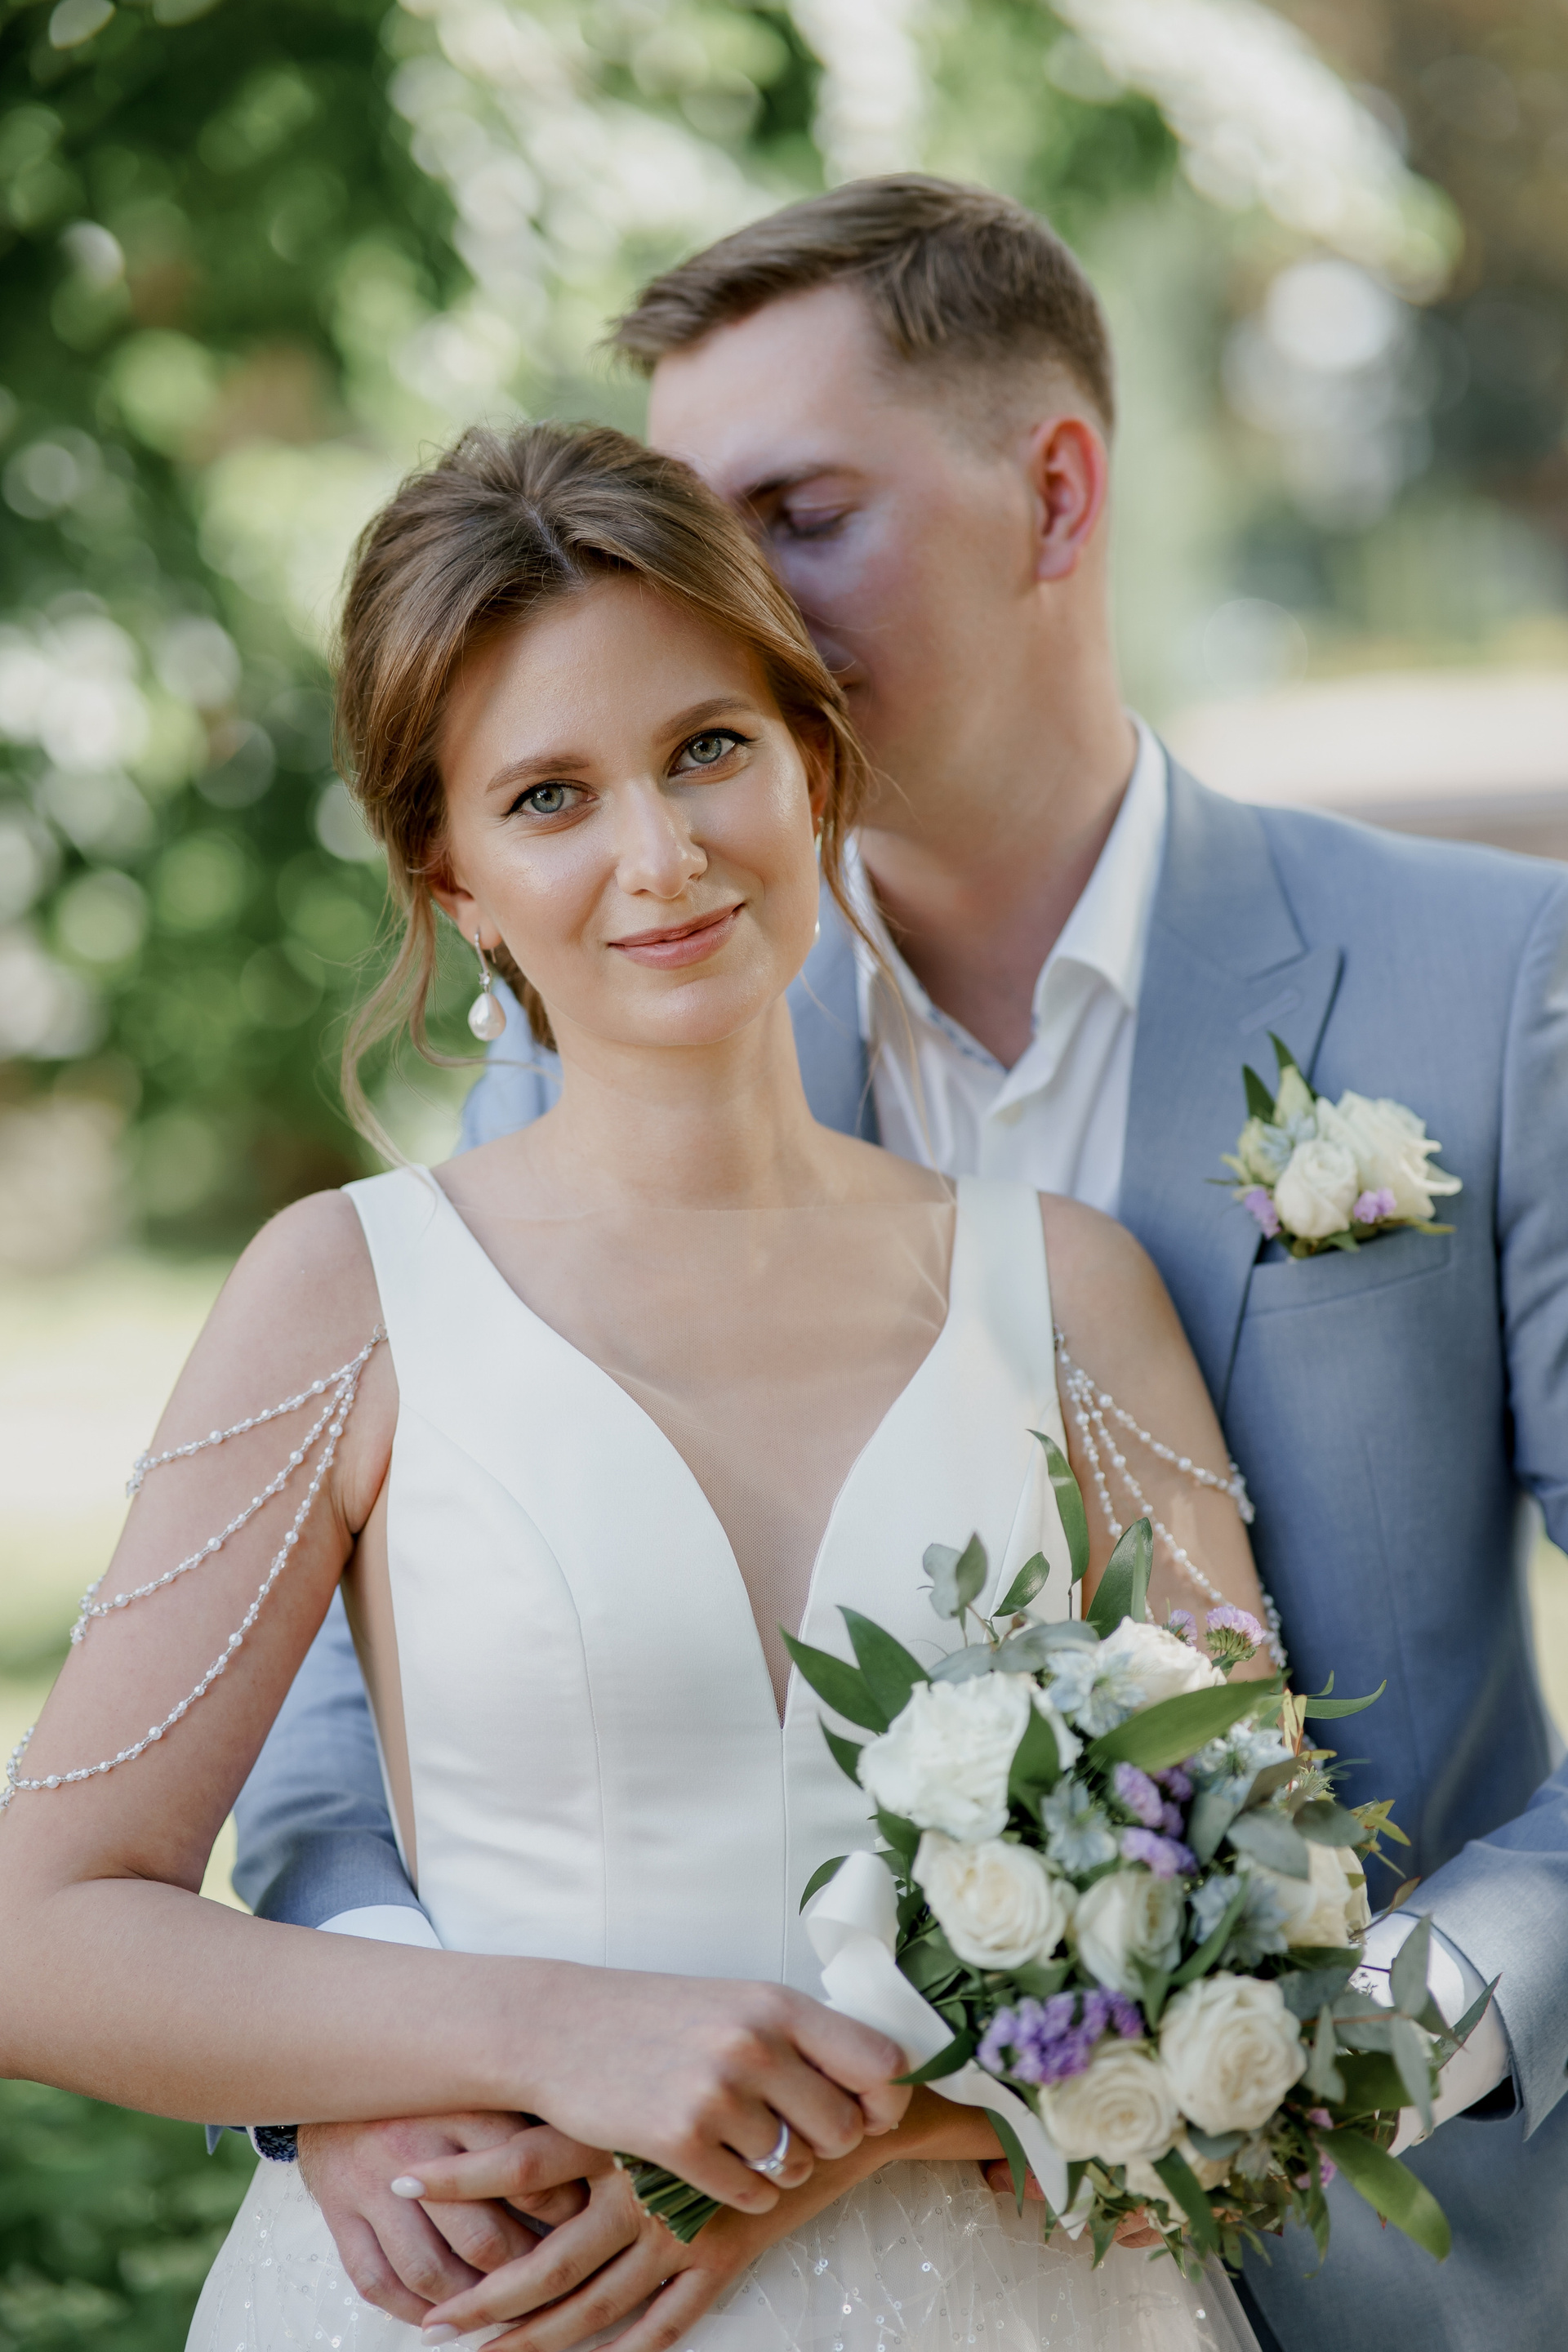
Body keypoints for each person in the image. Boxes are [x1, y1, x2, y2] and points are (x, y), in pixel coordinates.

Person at [237, 181, 1568, 2352]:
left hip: (1383, 2254)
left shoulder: (1492, 984)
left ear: (1058, 496)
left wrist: (1338, 2047)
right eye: (699, 522)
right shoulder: (628, 1001)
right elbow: (353, 1631)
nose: (726, 593)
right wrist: (383, 2057)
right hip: (709, 2265)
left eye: (801, 514)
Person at [0, 421, 1273, 2352]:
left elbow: (1259, 1919)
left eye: (706, 750)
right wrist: (540, 2030)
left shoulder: (1072, 1294)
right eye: (550, 796)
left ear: (811, 766)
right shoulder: (343, 1298)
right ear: (451, 878)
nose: (661, 857)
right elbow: (44, 1929)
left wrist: (881, 2124)